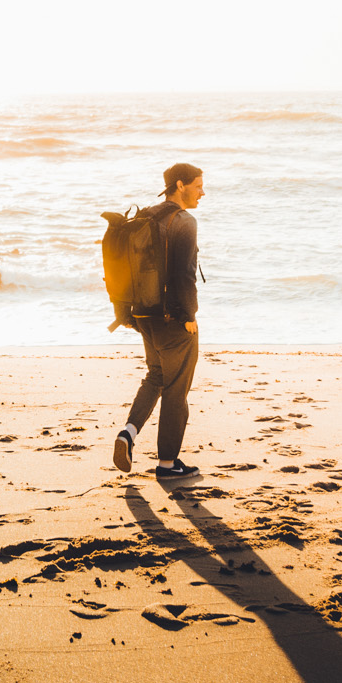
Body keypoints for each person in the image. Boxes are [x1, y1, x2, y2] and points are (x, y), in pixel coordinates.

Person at [113, 162, 204, 480]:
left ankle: (128, 433)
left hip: (143, 314)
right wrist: (188, 316)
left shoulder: (145, 216)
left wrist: (126, 312)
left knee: (155, 377)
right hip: (172, 319)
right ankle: (168, 464)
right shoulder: (184, 221)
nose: (202, 192)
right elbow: (184, 274)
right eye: (197, 186)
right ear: (180, 185)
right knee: (177, 390)